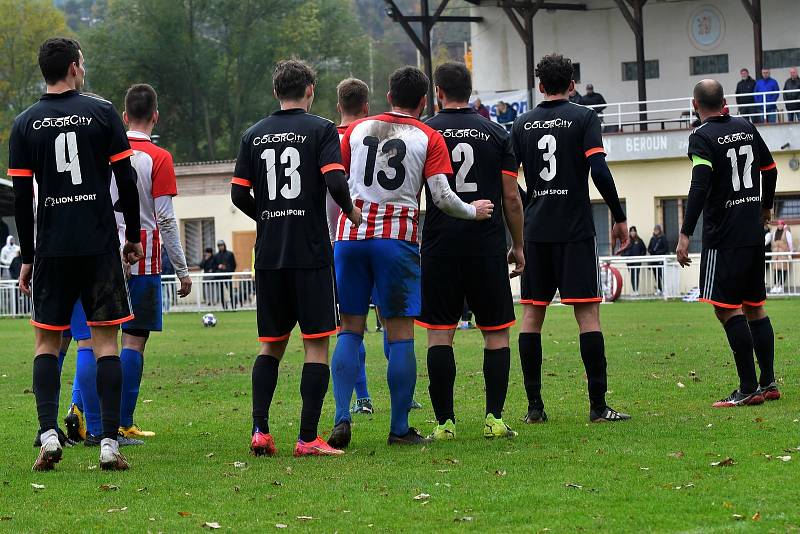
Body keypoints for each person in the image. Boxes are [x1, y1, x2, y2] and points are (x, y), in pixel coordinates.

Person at [327, 66, 493, 449]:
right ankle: (399, 427)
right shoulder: (428, 137)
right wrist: (474, 211)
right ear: (425, 101)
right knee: (400, 334)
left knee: (349, 330)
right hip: (396, 241)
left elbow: (335, 180)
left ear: (388, 96)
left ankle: (341, 417)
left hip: (350, 238)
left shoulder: (356, 131)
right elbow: (442, 197)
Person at [9, 37, 143, 470]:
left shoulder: (25, 123)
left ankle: (49, 433)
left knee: (47, 342)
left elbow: (22, 200)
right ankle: (107, 442)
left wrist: (28, 256)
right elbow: (124, 179)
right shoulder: (102, 112)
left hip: (52, 248)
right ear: (71, 67)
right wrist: (133, 236)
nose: (82, 69)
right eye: (81, 64)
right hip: (98, 244)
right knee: (106, 343)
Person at [230, 59, 361, 457]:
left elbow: (238, 195)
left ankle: (260, 431)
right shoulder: (321, 129)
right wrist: (352, 213)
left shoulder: (253, 134)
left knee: (270, 344)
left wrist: (268, 217)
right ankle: (307, 438)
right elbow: (335, 180)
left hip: (270, 254)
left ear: (275, 93)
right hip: (310, 250)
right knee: (316, 344)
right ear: (309, 91)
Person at [512, 53, 630, 424]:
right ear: (573, 85)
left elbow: (507, 183)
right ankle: (597, 407)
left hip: (535, 231)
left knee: (532, 316)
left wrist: (529, 204)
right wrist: (619, 215)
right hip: (576, 231)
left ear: (540, 86)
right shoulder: (584, 117)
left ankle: (535, 409)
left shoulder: (521, 123)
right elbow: (598, 169)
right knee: (588, 315)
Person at [420, 61, 524, 441]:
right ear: (470, 89)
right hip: (485, 244)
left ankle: (445, 423)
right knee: (495, 334)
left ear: (440, 93)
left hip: (439, 245)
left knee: (439, 334)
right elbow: (511, 197)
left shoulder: (425, 131)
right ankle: (494, 419)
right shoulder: (496, 132)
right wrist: (518, 245)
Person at [676, 78, 780, 407]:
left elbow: (699, 185)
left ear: (695, 105)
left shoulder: (701, 137)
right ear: (724, 101)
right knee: (755, 307)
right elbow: (771, 169)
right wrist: (764, 208)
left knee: (726, 309)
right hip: (751, 232)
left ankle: (748, 387)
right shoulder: (747, 127)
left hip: (724, 236)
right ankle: (768, 382)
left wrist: (685, 232)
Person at [109, 83, 192, 440]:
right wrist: (182, 270)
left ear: (125, 116)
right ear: (155, 116)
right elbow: (166, 218)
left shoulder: (104, 152)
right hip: (144, 257)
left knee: (96, 340)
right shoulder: (158, 158)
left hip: (105, 257)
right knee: (133, 341)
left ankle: (84, 414)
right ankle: (123, 421)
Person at [332, 77, 375, 416]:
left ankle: (360, 397)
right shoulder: (371, 138)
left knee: (350, 324)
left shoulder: (324, 138)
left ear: (338, 106)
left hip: (337, 241)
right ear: (366, 107)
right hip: (381, 236)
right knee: (393, 320)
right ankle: (403, 398)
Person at [619, 226, 647, 295]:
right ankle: (634, 290)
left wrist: (641, 257)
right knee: (632, 276)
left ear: (636, 232)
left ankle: (636, 290)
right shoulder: (626, 241)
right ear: (629, 232)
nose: (632, 232)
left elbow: (644, 250)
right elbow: (622, 251)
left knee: (636, 275)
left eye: (634, 231)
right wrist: (625, 256)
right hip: (629, 262)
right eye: (631, 231)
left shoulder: (639, 240)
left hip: (637, 261)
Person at [771, 220, 793, 293]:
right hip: (776, 256)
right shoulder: (775, 233)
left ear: (783, 225)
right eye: (778, 224)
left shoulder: (787, 233)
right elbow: (773, 243)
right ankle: (775, 286)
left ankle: (781, 286)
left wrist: (790, 254)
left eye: (781, 224)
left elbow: (790, 243)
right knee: (776, 271)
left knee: (783, 271)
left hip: (783, 255)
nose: (779, 225)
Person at [213, 240, 236, 309]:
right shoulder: (216, 256)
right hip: (219, 276)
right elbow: (213, 266)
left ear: (224, 245)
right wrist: (218, 266)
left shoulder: (230, 254)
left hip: (228, 276)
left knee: (231, 292)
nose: (221, 247)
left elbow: (233, 265)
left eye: (222, 245)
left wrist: (229, 270)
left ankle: (233, 306)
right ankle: (224, 308)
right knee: (221, 293)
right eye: (219, 246)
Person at [647, 224, 668, 294]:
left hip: (660, 260)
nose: (656, 231)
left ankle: (665, 289)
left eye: (657, 230)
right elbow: (649, 247)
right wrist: (651, 251)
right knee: (656, 275)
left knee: (662, 275)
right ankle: (659, 289)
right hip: (654, 260)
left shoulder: (663, 238)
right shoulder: (652, 238)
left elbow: (666, 248)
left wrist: (658, 252)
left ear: (659, 230)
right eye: (655, 230)